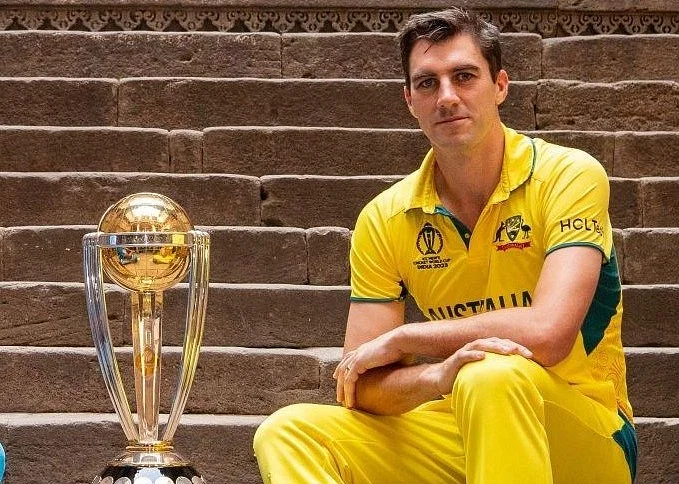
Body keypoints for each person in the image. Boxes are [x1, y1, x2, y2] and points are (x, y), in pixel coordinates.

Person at [254, 7, 636, 483]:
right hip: (458, 422)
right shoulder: (385, 217)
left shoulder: (568, 175)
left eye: (464, 76)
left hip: (585, 434)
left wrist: (407, 338)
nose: (447, 97)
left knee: (491, 373)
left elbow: (548, 332)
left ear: (500, 86)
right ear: (409, 100)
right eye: (427, 83)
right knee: (288, 432)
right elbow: (361, 384)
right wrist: (437, 375)